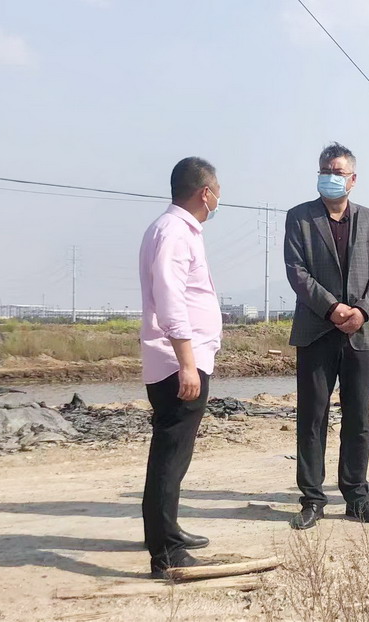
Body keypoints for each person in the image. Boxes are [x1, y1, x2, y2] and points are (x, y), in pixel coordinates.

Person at [284, 142, 369, 530]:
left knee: (358, 418)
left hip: (360, 334)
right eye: (325, 171)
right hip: (316, 331)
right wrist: (332, 309)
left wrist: (360, 311)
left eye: (338, 172)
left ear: (353, 179)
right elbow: (297, 272)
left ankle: (357, 497)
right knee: (312, 418)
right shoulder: (300, 217)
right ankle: (313, 498)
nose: (331, 177)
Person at [139, 157, 223, 577]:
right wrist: (187, 364)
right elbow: (171, 301)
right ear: (205, 193)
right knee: (170, 456)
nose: (219, 198)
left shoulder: (174, 229)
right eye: (217, 190)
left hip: (181, 359)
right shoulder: (174, 232)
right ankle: (165, 552)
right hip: (178, 363)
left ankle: (166, 529)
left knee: (173, 453)